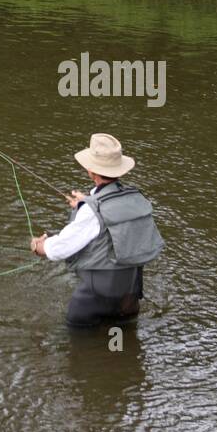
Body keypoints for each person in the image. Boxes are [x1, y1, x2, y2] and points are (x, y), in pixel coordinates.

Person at [29, 133, 164, 329]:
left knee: (75, 353)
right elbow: (111, 217)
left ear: (91, 171)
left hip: (91, 306)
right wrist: (87, 203)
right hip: (129, 302)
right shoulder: (134, 199)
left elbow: (59, 249)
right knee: (125, 353)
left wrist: (38, 246)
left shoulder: (91, 212)